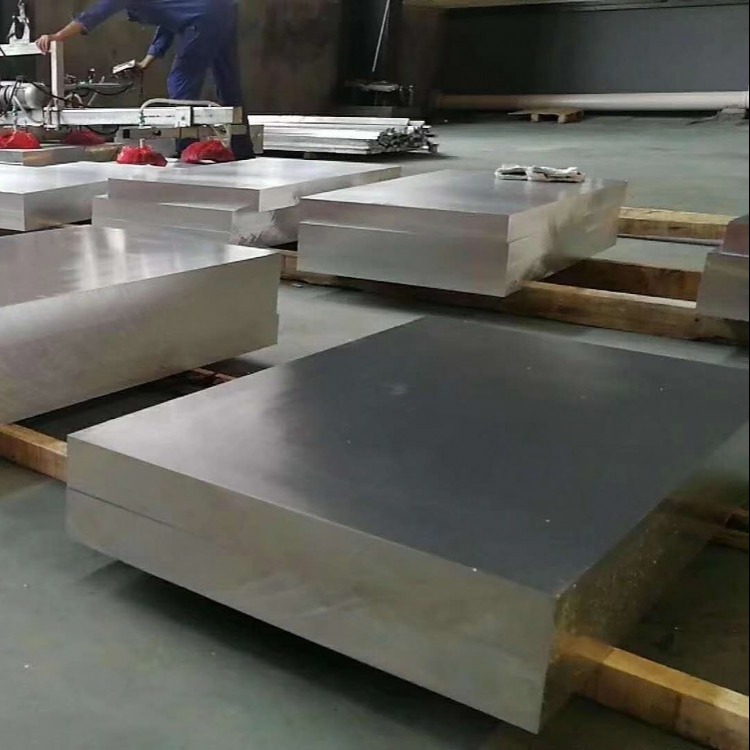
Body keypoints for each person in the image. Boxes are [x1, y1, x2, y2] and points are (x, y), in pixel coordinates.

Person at [36, 0, 255, 159]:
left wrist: (57, 37)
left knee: (180, 81)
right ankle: (243, 150)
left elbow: (94, 15)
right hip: (224, 9)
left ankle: (187, 149)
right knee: (228, 83)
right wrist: (145, 63)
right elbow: (169, 24)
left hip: (203, 17)